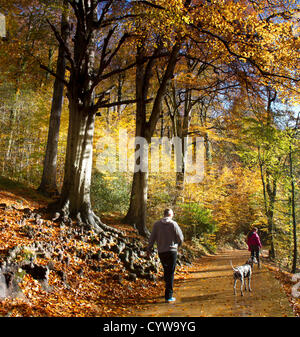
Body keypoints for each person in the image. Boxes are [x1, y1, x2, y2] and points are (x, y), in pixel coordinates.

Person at [147, 208, 184, 303]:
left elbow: (152, 238)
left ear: (164, 215)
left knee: (166, 271)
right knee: (170, 272)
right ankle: (168, 296)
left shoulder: (156, 224)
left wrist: (149, 249)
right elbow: (180, 237)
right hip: (172, 251)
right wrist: (178, 245)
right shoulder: (173, 224)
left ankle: (167, 290)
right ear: (171, 215)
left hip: (161, 251)